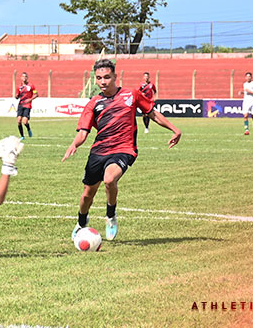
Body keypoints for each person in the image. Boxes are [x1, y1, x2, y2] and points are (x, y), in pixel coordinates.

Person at [62, 59, 181, 241]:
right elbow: (83, 132)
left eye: (107, 77)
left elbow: (153, 113)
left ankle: (111, 216)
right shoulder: (93, 104)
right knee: (87, 194)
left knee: (110, 179)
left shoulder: (131, 95)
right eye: (99, 78)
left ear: (115, 77)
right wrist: (74, 144)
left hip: (124, 149)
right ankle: (81, 222)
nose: (103, 81)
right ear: (95, 79)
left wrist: (175, 129)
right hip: (99, 151)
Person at [15, 72, 38, 140]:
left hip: (27, 105)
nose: (24, 78)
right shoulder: (19, 87)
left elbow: (36, 94)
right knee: (19, 121)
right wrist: (16, 96)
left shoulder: (31, 86)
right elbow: (17, 96)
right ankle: (22, 136)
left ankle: (28, 129)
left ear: (27, 78)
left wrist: (30, 99)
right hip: (20, 105)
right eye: (23, 76)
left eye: (25, 76)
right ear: (21, 78)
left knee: (25, 121)